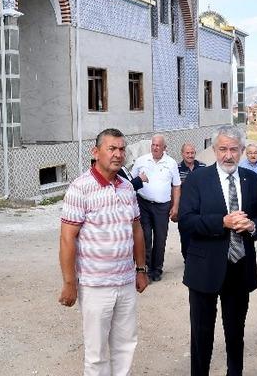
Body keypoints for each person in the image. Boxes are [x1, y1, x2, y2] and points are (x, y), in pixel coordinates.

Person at [179, 125, 257, 376]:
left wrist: (253, 226)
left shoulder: (252, 180)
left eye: (233, 149)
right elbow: (186, 220)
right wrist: (222, 222)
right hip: (204, 268)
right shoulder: (198, 179)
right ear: (214, 150)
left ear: (242, 151)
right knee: (201, 333)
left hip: (239, 267)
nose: (227, 155)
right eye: (222, 149)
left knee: (235, 332)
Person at [59, 128, 149, 376]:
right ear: (95, 152)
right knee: (96, 353)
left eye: (122, 149)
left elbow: (137, 230)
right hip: (95, 285)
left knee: (125, 346)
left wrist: (140, 269)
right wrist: (69, 284)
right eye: (112, 148)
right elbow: (68, 238)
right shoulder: (80, 188)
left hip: (125, 282)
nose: (118, 154)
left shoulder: (127, 188)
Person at [132, 134, 182, 282]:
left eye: (158, 145)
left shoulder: (171, 163)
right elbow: (130, 181)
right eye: (153, 145)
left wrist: (175, 206)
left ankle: (157, 269)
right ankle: (145, 270)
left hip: (162, 207)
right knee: (145, 237)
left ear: (164, 148)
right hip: (144, 204)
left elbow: (177, 185)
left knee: (160, 239)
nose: (155, 147)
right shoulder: (141, 161)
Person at [178, 143, 207, 259]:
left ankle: (199, 257)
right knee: (185, 235)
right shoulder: (177, 169)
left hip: (201, 208)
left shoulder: (203, 167)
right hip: (184, 208)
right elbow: (174, 188)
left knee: (201, 233)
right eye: (187, 153)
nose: (190, 155)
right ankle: (187, 259)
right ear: (182, 154)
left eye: (192, 153)